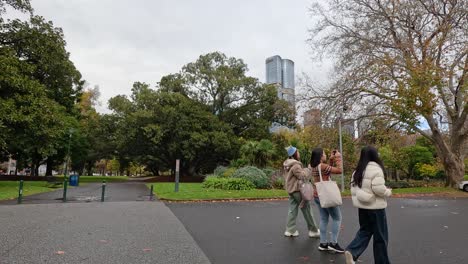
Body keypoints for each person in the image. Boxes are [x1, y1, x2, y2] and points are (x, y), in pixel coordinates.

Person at [345, 146, 392, 264]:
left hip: (363, 208)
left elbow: (354, 189)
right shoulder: (376, 169)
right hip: (376, 208)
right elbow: (379, 189)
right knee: (380, 237)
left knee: (365, 231)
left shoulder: (357, 171)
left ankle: (352, 250)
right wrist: (388, 191)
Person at [308, 148, 344, 253]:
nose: (325, 155)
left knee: (324, 219)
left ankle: (323, 244)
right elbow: (339, 170)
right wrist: (338, 158)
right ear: (320, 156)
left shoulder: (313, 166)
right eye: (324, 153)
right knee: (337, 218)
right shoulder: (322, 166)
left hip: (317, 195)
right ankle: (333, 243)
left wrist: (332, 160)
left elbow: (327, 171)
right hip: (326, 195)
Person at [283, 146, 320, 238]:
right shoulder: (295, 165)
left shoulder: (288, 164)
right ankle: (313, 231)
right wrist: (308, 169)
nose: (299, 153)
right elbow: (302, 176)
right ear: (294, 154)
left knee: (292, 210)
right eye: (297, 152)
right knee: (307, 209)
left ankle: (290, 230)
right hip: (297, 190)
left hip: (291, 190)